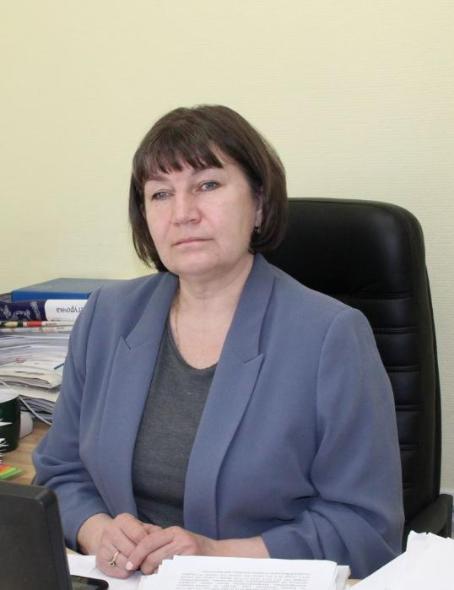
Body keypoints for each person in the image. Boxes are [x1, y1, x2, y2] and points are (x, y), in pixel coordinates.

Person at [33, 105, 404, 580]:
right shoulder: (107, 315)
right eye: (161, 193)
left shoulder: (331, 336)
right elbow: (60, 471)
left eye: (207, 185)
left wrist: (217, 552)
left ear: (260, 204)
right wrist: (98, 530)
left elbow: (366, 528)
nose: (183, 213)